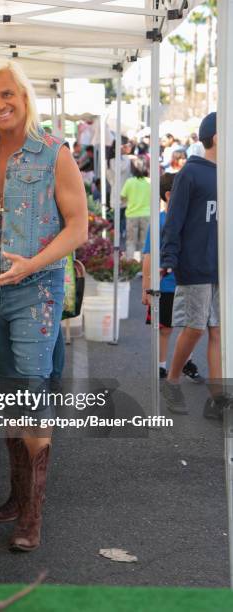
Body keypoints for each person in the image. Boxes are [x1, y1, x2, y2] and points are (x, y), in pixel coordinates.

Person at [0, 59, 88, 551]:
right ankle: (15, 495)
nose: (0, 104)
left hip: (36, 293)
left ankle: (32, 516)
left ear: (25, 97)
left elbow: (78, 227)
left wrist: (31, 265)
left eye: (8, 94)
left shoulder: (53, 153)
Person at [160, 112, 220, 416]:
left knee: (220, 332)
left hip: (224, 270)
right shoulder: (191, 174)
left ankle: (219, 399)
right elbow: (175, 219)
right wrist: (168, 257)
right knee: (195, 329)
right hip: (195, 265)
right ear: (217, 136)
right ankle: (171, 381)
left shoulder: (229, 174)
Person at [141, 172, 202, 381]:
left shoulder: (190, 219)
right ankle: (161, 366)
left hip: (188, 282)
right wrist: (146, 287)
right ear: (168, 195)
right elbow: (148, 256)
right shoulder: (158, 222)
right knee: (165, 329)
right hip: (164, 286)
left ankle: (186, 362)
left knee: (189, 326)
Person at [121, 158, 151, 260]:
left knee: (131, 241)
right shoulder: (149, 182)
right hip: (147, 214)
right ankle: (144, 264)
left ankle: (129, 263)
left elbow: (123, 197)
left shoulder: (129, 182)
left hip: (132, 214)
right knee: (145, 242)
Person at [106, 137, 133, 250]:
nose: (129, 147)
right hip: (118, 192)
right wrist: (128, 158)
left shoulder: (123, 159)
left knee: (123, 219)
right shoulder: (113, 161)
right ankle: (118, 242)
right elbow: (118, 171)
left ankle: (121, 239)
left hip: (125, 192)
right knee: (119, 219)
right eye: (126, 145)